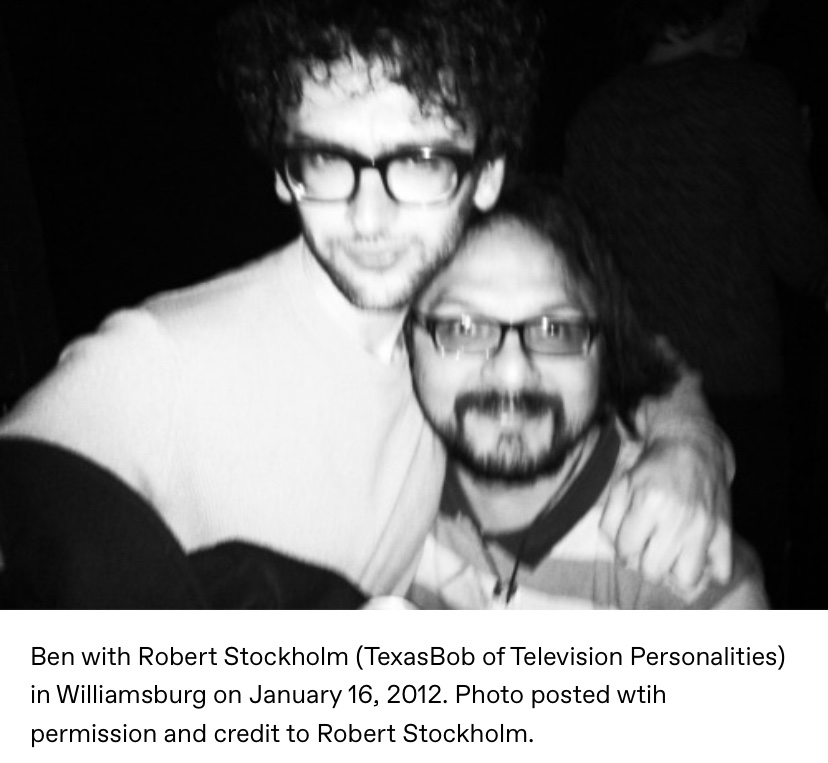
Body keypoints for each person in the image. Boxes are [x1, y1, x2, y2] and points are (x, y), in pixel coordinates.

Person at [0, 0, 728, 606]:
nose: (369, 217)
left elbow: (624, 349)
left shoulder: (446, 336)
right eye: (326, 159)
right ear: (283, 171)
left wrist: (688, 442)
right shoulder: (156, 361)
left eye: (420, 162)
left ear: (485, 177)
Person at [563, 0, 828, 605]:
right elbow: (803, 254)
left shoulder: (594, 113)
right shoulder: (755, 94)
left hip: (625, 390)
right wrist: (801, 154)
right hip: (738, 388)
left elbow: (579, 269)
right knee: (741, 579)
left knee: (635, 580)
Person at [408, 178, 766, 609]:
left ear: (607, 350)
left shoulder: (675, 555)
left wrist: (689, 437)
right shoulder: (384, 484)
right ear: (405, 339)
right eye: (463, 328)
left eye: (555, 330)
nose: (512, 372)